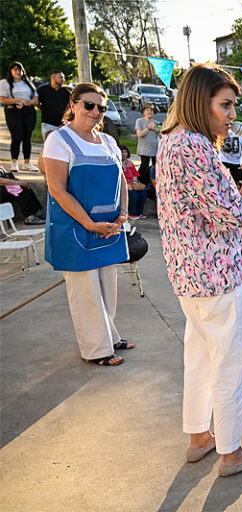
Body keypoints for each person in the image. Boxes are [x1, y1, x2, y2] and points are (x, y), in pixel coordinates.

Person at [156, 63, 242, 476]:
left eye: (234, 106)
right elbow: (233, 213)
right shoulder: (195, 146)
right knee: (232, 362)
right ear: (198, 101)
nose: (232, 115)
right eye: (225, 105)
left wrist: (239, 205)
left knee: (202, 358)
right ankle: (231, 451)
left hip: (192, 275)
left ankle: (200, 437)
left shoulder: (172, 140)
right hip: (221, 274)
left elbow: (215, 209)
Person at [42, 82, 130, 366]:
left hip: (108, 228)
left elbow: (122, 181)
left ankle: (110, 334)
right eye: (88, 105)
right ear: (73, 105)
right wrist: (89, 224)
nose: (95, 112)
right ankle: (96, 350)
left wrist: (123, 215)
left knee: (107, 287)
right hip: (75, 229)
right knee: (86, 293)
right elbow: (57, 189)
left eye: (101, 108)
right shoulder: (59, 140)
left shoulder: (109, 142)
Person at [1, 62, 39, 171]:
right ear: (10, 71)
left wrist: (28, 102)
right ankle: (14, 162)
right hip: (13, 111)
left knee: (27, 137)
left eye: (20, 70)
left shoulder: (28, 83)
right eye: (15, 70)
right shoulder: (5, 83)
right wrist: (19, 100)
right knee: (17, 136)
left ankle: (27, 163)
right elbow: (3, 99)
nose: (18, 72)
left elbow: (36, 99)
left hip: (29, 111)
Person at [36, 69, 70, 140]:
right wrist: (43, 110)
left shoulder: (66, 93)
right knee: (48, 146)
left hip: (62, 125)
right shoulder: (42, 90)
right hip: (47, 124)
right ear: (53, 77)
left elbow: (70, 107)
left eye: (63, 78)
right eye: (60, 77)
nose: (63, 80)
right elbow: (36, 102)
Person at [117, 143, 147, 219]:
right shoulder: (116, 163)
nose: (124, 154)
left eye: (125, 152)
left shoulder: (130, 163)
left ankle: (139, 213)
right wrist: (126, 185)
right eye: (122, 152)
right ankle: (132, 213)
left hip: (131, 185)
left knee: (143, 192)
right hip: (122, 185)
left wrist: (134, 181)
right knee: (133, 194)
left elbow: (135, 176)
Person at [134, 103, 160, 185]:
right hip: (144, 149)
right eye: (147, 110)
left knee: (155, 167)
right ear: (143, 112)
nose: (149, 112)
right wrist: (148, 128)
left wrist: (155, 129)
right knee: (144, 165)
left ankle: (150, 182)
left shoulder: (156, 122)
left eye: (151, 110)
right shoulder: (139, 121)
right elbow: (139, 134)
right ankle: (139, 181)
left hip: (155, 148)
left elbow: (162, 135)